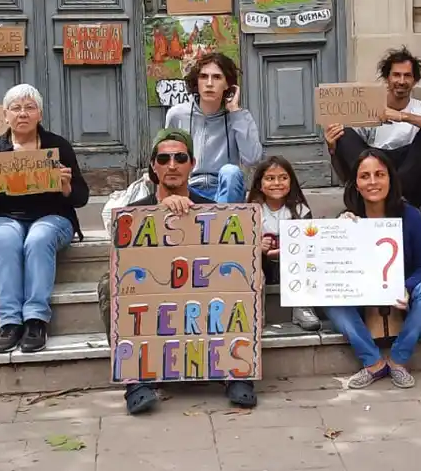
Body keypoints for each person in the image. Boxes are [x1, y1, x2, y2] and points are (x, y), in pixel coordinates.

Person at [108, 129, 259, 415]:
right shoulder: (133, 211)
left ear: (192, 163)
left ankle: (237, 371)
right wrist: (159, 212)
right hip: (155, 297)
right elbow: (123, 261)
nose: (172, 165)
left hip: (199, 293)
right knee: (109, 285)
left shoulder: (214, 210)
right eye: (164, 159)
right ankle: (135, 380)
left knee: (248, 277)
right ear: (153, 166)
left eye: (180, 157)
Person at [0, 84, 89, 354]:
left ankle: (35, 320)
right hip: (3, 218)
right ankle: (9, 322)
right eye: (16, 108)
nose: (23, 114)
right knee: (6, 239)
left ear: (40, 115)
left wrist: (67, 188)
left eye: (29, 108)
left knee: (38, 238)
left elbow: (81, 196)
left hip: (52, 217)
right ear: (5, 115)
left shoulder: (58, 146)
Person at [327, 149, 421, 389]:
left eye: (379, 174)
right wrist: (338, 235)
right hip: (361, 301)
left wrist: (408, 288)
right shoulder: (347, 220)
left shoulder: (410, 216)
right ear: (356, 184)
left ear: (390, 179)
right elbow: (334, 271)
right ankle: (373, 362)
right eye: (365, 176)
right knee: (328, 298)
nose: (372, 182)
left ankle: (398, 359)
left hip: (400, 301)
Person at [324, 47, 421, 207]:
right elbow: (346, 166)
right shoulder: (369, 108)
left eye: (407, 76)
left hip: (409, 187)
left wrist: (403, 117)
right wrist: (333, 147)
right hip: (374, 176)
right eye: (396, 75)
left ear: (415, 80)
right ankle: (380, 196)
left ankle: (394, 195)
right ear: (387, 78)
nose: (402, 81)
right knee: (344, 133)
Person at [163, 53, 263, 203]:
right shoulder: (177, 115)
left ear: (228, 84)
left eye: (217, 77)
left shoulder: (240, 116)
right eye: (204, 76)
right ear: (197, 81)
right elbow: (165, 159)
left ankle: (223, 222)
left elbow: (252, 158)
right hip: (188, 189)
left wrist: (235, 112)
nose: (209, 83)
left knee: (231, 172)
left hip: (225, 188)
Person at [247, 157, 319, 330]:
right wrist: (257, 246)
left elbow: (310, 244)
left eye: (283, 178)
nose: (277, 183)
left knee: (307, 260)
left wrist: (289, 249)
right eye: (270, 178)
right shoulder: (251, 210)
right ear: (259, 183)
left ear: (291, 181)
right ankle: (254, 312)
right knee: (250, 264)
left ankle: (302, 307)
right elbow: (242, 244)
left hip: (291, 267)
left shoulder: (300, 210)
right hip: (264, 267)